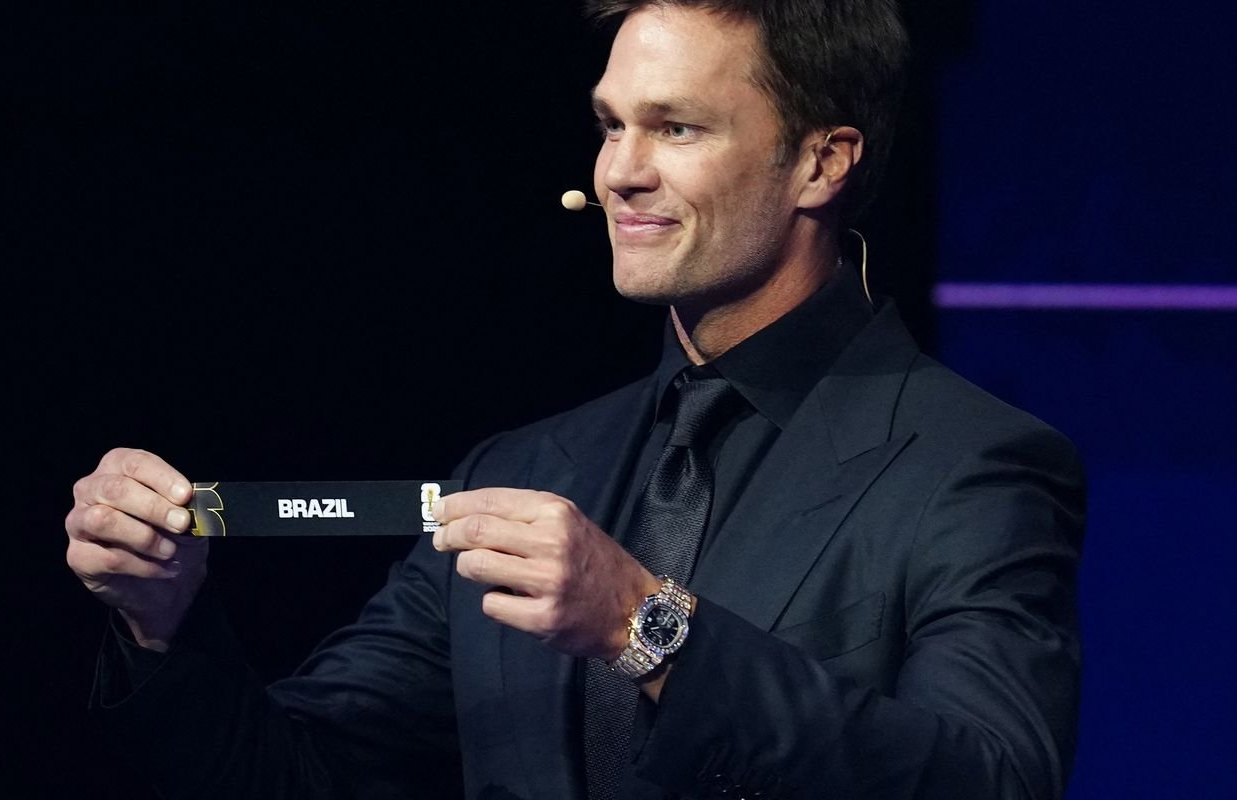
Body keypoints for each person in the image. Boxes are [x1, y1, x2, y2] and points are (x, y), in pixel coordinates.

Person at [64, 2, 1085, 798]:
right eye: (610, 126)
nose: (619, 174)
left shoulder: (969, 464)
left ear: (822, 161)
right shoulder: (523, 469)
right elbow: (298, 773)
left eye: (675, 127)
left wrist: (646, 625)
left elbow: (991, 780)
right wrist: (162, 618)